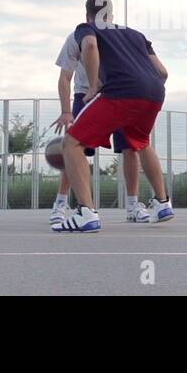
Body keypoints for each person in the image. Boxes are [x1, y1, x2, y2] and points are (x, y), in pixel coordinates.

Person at [52, 0, 174, 233]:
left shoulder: (86, 28)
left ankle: (86, 212)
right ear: (111, 15)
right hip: (154, 92)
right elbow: (163, 72)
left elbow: (89, 44)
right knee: (141, 142)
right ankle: (162, 204)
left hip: (120, 92)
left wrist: (96, 85)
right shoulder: (135, 34)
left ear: (88, 14)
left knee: (71, 143)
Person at [50, 27, 150, 225]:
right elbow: (65, 77)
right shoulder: (76, 38)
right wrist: (66, 111)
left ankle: (132, 205)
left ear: (111, 19)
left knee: (131, 148)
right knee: (74, 149)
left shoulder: (121, 39)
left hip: (119, 94)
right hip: (86, 95)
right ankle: (61, 203)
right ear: (88, 18)